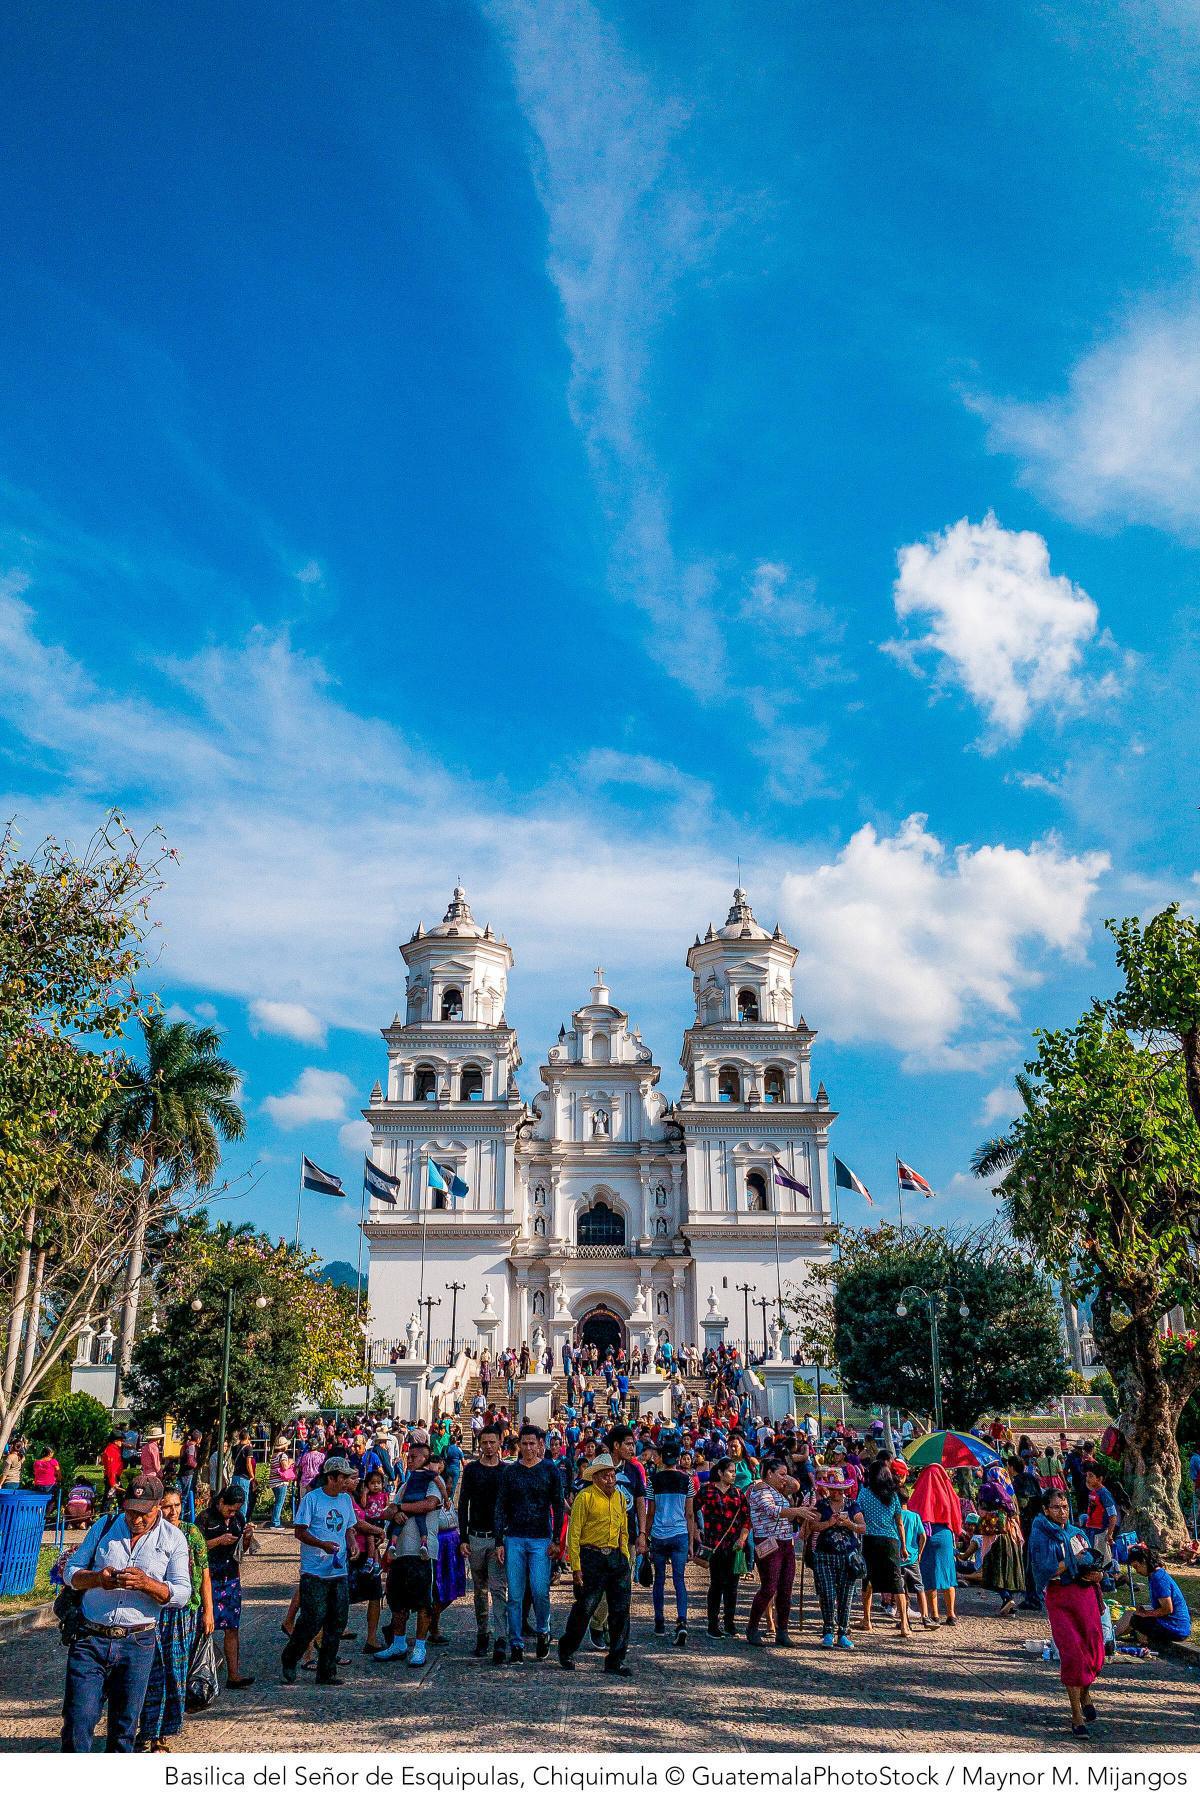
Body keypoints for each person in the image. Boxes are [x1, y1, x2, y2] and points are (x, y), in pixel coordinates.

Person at [61, 1475, 190, 1754]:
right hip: (90, 1638)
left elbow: (182, 1593)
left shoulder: (173, 1539)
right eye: (131, 1511)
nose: (136, 1519)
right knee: (77, 1721)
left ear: (157, 1507)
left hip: (138, 1643)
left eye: (143, 1513)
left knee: (124, 1728)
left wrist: (148, 1584)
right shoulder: (104, 1526)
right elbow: (71, 1572)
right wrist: (98, 1578)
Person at [137, 1483, 212, 1752]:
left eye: (177, 1505)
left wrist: (208, 1611)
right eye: (167, 1506)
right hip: (153, 1612)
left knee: (174, 1674)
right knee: (148, 1674)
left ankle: (162, 1734)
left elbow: (203, 1574)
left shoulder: (191, 1533)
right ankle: (144, 1729)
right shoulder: (150, 1533)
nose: (173, 1511)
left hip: (184, 1613)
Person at [1028, 1488, 1106, 1738]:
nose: (1062, 1512)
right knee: (1072, 1653)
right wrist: (1072, 1562)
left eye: (1064, 1506)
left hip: (1085, 1597)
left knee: (1093, 1650)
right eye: (1056, 1507)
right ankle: (1076, 1715)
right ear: (1045, 1510)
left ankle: (1085, 1693)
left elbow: (1092, 1563)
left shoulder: (1077, 1533)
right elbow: (1044, 1570)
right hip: (1061, 1598)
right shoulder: (1040, 1535)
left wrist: (1097, 1573)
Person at [282, 1455, 358, 1686]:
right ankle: (290, 1657)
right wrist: (321, 1544)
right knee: (312, 1619)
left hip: (339, 1571)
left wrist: (352, 1542)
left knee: (337, 1620)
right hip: (315, 1571)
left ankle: (327, 1670)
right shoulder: (312, 1499)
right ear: (332, 1477)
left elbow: (349, 1528)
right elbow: (300, 1531)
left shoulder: (345, 1500)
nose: (347, 1481)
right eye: (344, 1477)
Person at [494, 1423, 565, 1665]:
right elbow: (501, 1506)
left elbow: (557, 1505)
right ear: (519, 1445)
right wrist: (498, 1540)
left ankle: (544, 1629)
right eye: (524, 1443)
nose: (528, 1448)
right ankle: (516, 1642)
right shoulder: (511, 1471)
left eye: (532, 1443)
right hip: (514, 1537)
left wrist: (557, 1539)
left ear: (539, 1445)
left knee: (539, 1590)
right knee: (514, 1594)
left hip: (540, 1538)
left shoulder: (549, 1469)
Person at [557, 1453, 632, 1676]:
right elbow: (575, 1532)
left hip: (616, 1558)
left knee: (620, 1611)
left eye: (612, 1475)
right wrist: (577, 1567)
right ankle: (567, 1649)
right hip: (592, 1557)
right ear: (596, 1477)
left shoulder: (619, 1498)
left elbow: (624, 1530)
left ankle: (616, 1659)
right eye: (606, 1476)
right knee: (585, 1607)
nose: (611, 1479)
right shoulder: (585, 1497)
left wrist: (625, 1556)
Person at [374, 1439, 443, 1667]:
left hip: (423, 1552)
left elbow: (430, 1504)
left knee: (424, 1602)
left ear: (425, 1459)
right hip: (401, 1550)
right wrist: (394, 1513)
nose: (410, 1460)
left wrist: (400, 1509)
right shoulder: (405, 1483)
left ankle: (420, 1646)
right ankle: (399, 1642)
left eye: (414, 1457)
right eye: (409, 1457)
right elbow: (389, 1510)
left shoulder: (432, 1481)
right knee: (397, 1601)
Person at [745, 1457, 814, 1648]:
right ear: (768, 1473)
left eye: (786, 1474)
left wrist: (784, 1476)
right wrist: (797, 1511)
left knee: (786, 1588)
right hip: (768, 1542)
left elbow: (796, 1485)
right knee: (769, 1587)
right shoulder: (759, 1489)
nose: (786, 1478)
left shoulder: (779, 1490)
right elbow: (771, 1510)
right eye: (781, 1474)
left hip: (785, 1542)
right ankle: (752, 1627)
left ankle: (782, 1630)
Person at [197, 1485, 256, 1689]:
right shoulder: (205, 1518)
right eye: (229, 1509)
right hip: (209, 1578)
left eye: (236, 1510)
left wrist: (246, 1537)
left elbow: (242, 1549)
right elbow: (196, 1547)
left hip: (231, 1577)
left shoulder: (238, 1519)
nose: (232, 1514)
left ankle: (234, 1674)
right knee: (205, 1626)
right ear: (221, 1502)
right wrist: (218, 1541)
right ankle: (201, 1674)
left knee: (232, 1627)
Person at [459, 1424, 507, 1662]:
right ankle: (482, 1632)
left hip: (497, 1539)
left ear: (499, 1443)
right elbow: (463, 1503)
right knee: (479, 1590)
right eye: (484, 1442)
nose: (488, 1446)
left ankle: (500, 1636)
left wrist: (504, 1539)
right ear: (480, 1444)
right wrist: (463, 1537)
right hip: (476, 1536)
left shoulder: (506, 1471)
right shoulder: (472, 1471)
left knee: (499, 1589)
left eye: (492, 1442)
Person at [807, 1469, 866, 1649]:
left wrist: (849, 1524)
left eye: (839, 1490)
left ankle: (842, 1632)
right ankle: (828, 1630)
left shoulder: (853, 1505)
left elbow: (862, 1527)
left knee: (845, 1595)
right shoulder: (821, 1505)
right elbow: (813, 1525)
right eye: (833, 1489)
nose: (836, 1493)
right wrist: (829, 1523)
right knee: (827, 1593)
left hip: (848, 1556)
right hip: (825, 1554)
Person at [646, 1434, 696, 1645]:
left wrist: (645, 1535)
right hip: (679, 1534)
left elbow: (650, 1512)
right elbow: (690, 1514)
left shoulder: (653, 1481)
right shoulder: (687, 1481)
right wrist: (692, 1542)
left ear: (661, 1458)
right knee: (679, 1580)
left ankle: (659, 1621)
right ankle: (682, 1621)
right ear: (677, 1459)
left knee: (659, 1579)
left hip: (658, 1533)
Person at [694, 1456, 751, 1639]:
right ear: (720, 1472)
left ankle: (730, 1623)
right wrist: (696, 1531)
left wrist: (742, 1539)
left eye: (734, 1472)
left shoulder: (738, 1494)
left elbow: (746, 1518)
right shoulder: (707, 1491)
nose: (733, 1475)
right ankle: (713, 1624)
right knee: (716, 1585)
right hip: (714, 1546)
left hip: (734, 1546)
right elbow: (692, 1508)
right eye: (730, 1471)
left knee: (733, 1587)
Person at [857, 1459, 911, 1638]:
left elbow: (858, 1516)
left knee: (868, 1580)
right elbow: (900, 1523)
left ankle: (867, 1620)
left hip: (870, 1540)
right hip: (891, 1541)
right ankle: (904, 1624)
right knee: (897, 1583)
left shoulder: (864, 1494)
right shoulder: (893, 1496)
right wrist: (904, 1546)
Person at [911, 1462, 961, 1627]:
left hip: (927, 1534)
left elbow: (913, 1509)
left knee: (929, 1576)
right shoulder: (947, 1489)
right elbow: (956, 1511)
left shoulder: (921, 1489)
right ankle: (951, 1614)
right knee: (948, 1575)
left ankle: (934, 1614)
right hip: (945, 1534)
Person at [1117, 1546, 1192, 1649]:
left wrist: (1147, 1614)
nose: (1137, 1571)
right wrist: (1146, 1610)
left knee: (1132, 1616)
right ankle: (1116, 1636)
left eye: (1136, 1566)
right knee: (1135, 1612)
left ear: (1143, 1562)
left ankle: (1111, 1637)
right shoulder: (1155, 1575)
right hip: (1174, 1626)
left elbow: (1167, 1609)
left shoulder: (1158, 1579)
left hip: (1175, 1628)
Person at [268, 1439, 297, 1530]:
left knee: (277, 1502)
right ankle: (275, 1522)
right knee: (279, 1502)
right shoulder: (283, 1455)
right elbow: (284, 1467)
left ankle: (274, 1520)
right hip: (280, 1482)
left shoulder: (274, 1456)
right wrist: (291, 1462)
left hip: (273, 1482)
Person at [230, 1430, 257, 1520]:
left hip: (235, 1475)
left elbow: (233, 1461)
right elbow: (248, 1464)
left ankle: (234, 1519)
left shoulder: (234, 1448)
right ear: (247, 1437)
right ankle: (241, 1521)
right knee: (243, 1500)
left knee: (234, 1499)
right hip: (244, 1477)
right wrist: (252, 1476)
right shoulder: (248, 1448)